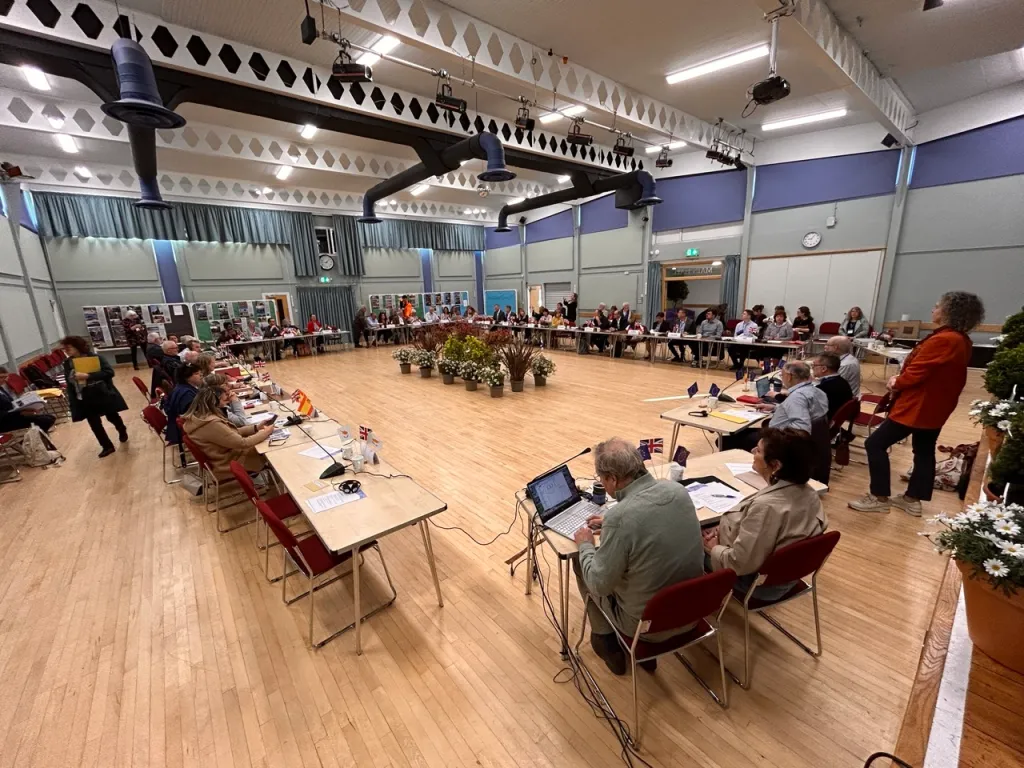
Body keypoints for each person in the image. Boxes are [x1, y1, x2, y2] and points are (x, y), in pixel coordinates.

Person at [572, 438, 704, 675]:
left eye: (601, 478)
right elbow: (651, 524)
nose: (602, 483)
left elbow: (600, 585)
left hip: (648, 628)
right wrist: (613, 524)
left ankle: (605, 640)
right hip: (694, 610)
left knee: (582, 563)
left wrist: (585, 546)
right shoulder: (676, 490)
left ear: (612, 478)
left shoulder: (620, 518)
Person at [849, 291, 984, 517]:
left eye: (937, 306)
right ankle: (912, 499)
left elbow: (918, 372)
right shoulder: (960, 339)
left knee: (875, 443)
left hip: (918, 406)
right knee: (923, 450)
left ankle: (879, 496)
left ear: (950, 312)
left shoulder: (945, 339)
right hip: (935, 406)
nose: (933, 310)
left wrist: (896, 381)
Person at [704, 428, 828, 601]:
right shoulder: (810, 493)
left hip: (757, 585)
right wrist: (722, 529)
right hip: (785, 576)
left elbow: (739, 563)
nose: (753, 453)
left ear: (775, 465)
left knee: (688, 542)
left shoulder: (766, 507)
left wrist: (714, 547)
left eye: (759, 451)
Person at [182, 386, 274, 480]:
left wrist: (256, 428)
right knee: (271, 449)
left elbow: (230, 433)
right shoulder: (211, 423)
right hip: (229, 463)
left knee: (262, 443)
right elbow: (242, 443)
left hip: (225, 457)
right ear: (215, 402)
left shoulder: (200, 418)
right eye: (224, 400)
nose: (227, 403)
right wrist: (265, 433)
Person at [61, 335, 129, 457]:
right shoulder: (67, 363)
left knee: (112, 416)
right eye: (64, 348)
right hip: (83, 395)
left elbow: (109, 372)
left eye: (68, 347)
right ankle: (107, 446)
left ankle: (121, 429)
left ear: (78, 347)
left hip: (101, 392)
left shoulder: (95, 357)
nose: (66, 350)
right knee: (94, 423)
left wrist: (88, 376)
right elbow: (68, 379)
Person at [0, 366, 56, 433]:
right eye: (1, 377)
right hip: (4, 422)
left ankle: (35, 439)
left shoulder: (1, 389)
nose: (5, 380)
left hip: (12, 416)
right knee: (45, 420)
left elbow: (11, 404)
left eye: (6, 377)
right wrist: (20, 413)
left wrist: (25, 407)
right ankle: (33, 441)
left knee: (50, 417)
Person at [163, 363, 202, 453]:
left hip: (177, 427)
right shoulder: (186, 394)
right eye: (196, 373)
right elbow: (196, 416)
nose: (200, 375)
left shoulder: (181, 387)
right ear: (187, 377)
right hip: (185, 430)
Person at [813, 353, 854, 419]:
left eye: (814, 365)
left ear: (824, 368)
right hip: (836, 418)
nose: (812, 368)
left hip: (823, 422)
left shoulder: (824, 387)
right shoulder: (842, 381)